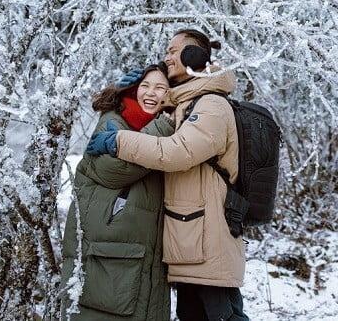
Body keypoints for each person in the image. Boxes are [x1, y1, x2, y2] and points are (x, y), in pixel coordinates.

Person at [87, 29, 249, 321]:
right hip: (191, 243)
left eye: (174, 51)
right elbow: (154, 113)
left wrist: (118, 141)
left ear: (194, 57)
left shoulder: (211, 104)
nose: (167, 56)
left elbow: (177, 151)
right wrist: (126, 90)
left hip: (208, 244)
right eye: (167, 51)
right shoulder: (188, 102)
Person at [60, 64, 174, 321]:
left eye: (160, 88)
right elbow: (116, 169)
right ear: (133, 91)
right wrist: (164, 126)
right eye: (144, 86)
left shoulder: (165, 134)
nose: (151, 93)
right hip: (108, 263)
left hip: (135, 262)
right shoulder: (113, 121)